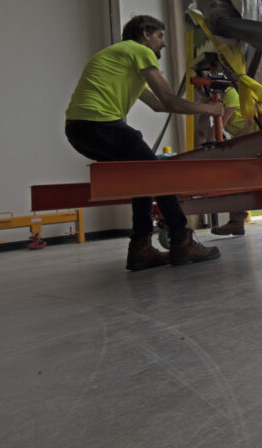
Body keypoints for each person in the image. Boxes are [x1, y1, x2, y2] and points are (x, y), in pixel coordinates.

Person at [64, 15, 225, 270]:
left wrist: (202, 107)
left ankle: (140, 249)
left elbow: (158, 106)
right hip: (100, 123)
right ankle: (182, 240)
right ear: (145, 34)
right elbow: (170, 100)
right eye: (160, 36)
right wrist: (213, 111)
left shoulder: (121, 58)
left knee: (140, 179)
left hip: (78, 130)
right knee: (156, 174)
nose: (163, 44)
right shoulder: (138, 51)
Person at [210, 84, 262, 236]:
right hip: (245, 142)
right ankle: (236, 221)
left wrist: (205, 145)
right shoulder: (219, 97)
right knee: (236, 180)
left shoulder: (231, 94)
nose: (201, 93)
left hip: (261, 138)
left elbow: (220, 125)